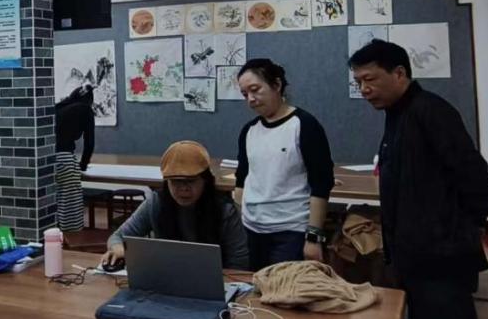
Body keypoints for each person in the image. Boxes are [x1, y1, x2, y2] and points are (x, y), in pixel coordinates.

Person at [350, 39, 488, 319]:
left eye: (370, 79)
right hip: (414, 261)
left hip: (440, 261)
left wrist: (468, 226)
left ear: (399, 73)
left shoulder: (431, 111)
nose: (364, 90)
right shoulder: (397, 115)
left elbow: (474, 176)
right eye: (359, 82)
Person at [234, 58, 334, 271]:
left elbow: (321, 183)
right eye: (244, 94)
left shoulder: (304, 125)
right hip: (252, 229)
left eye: (255, 90)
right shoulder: (249, 130)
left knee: (282, 287)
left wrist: (313, 237)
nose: (250, 99)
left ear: (277, 85)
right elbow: (241, 179)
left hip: (290, 230)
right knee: (253, 286)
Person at [101, 141, 248, 269]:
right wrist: (118, 248)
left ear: (205, 181)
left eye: (191, 181)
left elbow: (240, 261)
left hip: (215, 279)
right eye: (176, 182)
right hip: (167, 275)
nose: (183, 189)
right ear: (167, 183)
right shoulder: (156, 202)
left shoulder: (225, 210)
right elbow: (118, 237)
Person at [54, 85, 95, 232]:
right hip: (65, 159)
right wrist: (82, 165)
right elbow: (89, 143)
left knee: (54, 202)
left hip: (45, 160)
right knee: (70, 205)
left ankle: (53, 236)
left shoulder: (58, 107)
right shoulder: (85, 109)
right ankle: (71, 238)